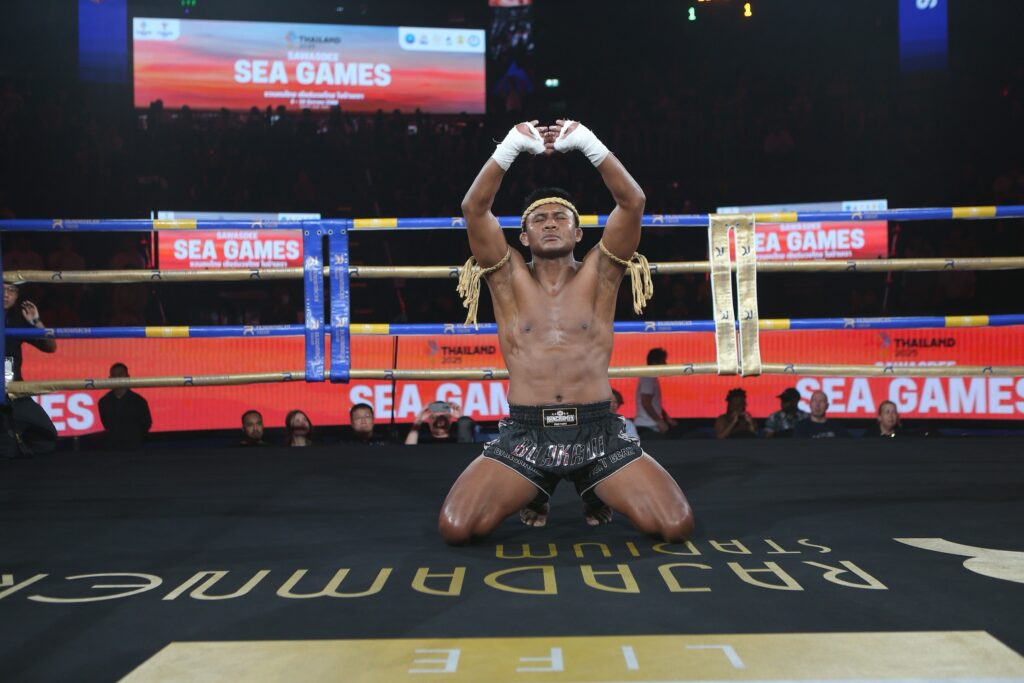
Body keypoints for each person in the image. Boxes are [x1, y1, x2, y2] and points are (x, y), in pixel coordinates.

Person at [438, 118, 693, 544]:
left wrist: (590, 144)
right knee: (456, 528)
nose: (551, 223)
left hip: (598, 431)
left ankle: (590, 485)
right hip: (526, 434)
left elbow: (633, 202)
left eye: (561, 217)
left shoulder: (602, 272)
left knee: (675, 525)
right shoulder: (506, 277)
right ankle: (539, 487)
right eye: (539, 218)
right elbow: (474, 209)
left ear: (578, 232)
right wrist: (509, 149)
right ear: (523, 235)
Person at [3, 282, 57, 382]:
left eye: (11, 290)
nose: (5, 294)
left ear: (17, 295)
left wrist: (36, 322)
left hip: (11, 383)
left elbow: (50, 347)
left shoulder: (18, 318)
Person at [97, 363, 153, 450]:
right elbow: (106, 424)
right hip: (112, 449)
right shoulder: (103, 402)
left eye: (120, 374)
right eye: (114, 375)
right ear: (110, 379)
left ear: (128, 377)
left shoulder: (139, 401)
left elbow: (146, 424)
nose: (117, 378)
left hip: (135, 448)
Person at [634, 347, 678, 439]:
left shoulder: (651, 377)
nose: (665, 364)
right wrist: (659, 422)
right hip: (647, 426)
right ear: (655, 361)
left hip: (650, 425)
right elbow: (645, 402)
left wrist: (666, 417)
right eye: (663, 361)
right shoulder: (648, 377)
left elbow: (653, 403)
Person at [406, 401, 475, 445]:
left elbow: (466, 448)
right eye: (435, 418)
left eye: (444, 418)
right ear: (429, 421)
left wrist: (461, 418)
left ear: (450, 420)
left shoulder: (458, 440)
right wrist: (418, 422)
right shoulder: (422, 442)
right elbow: (409, 451)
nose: (440, 422)